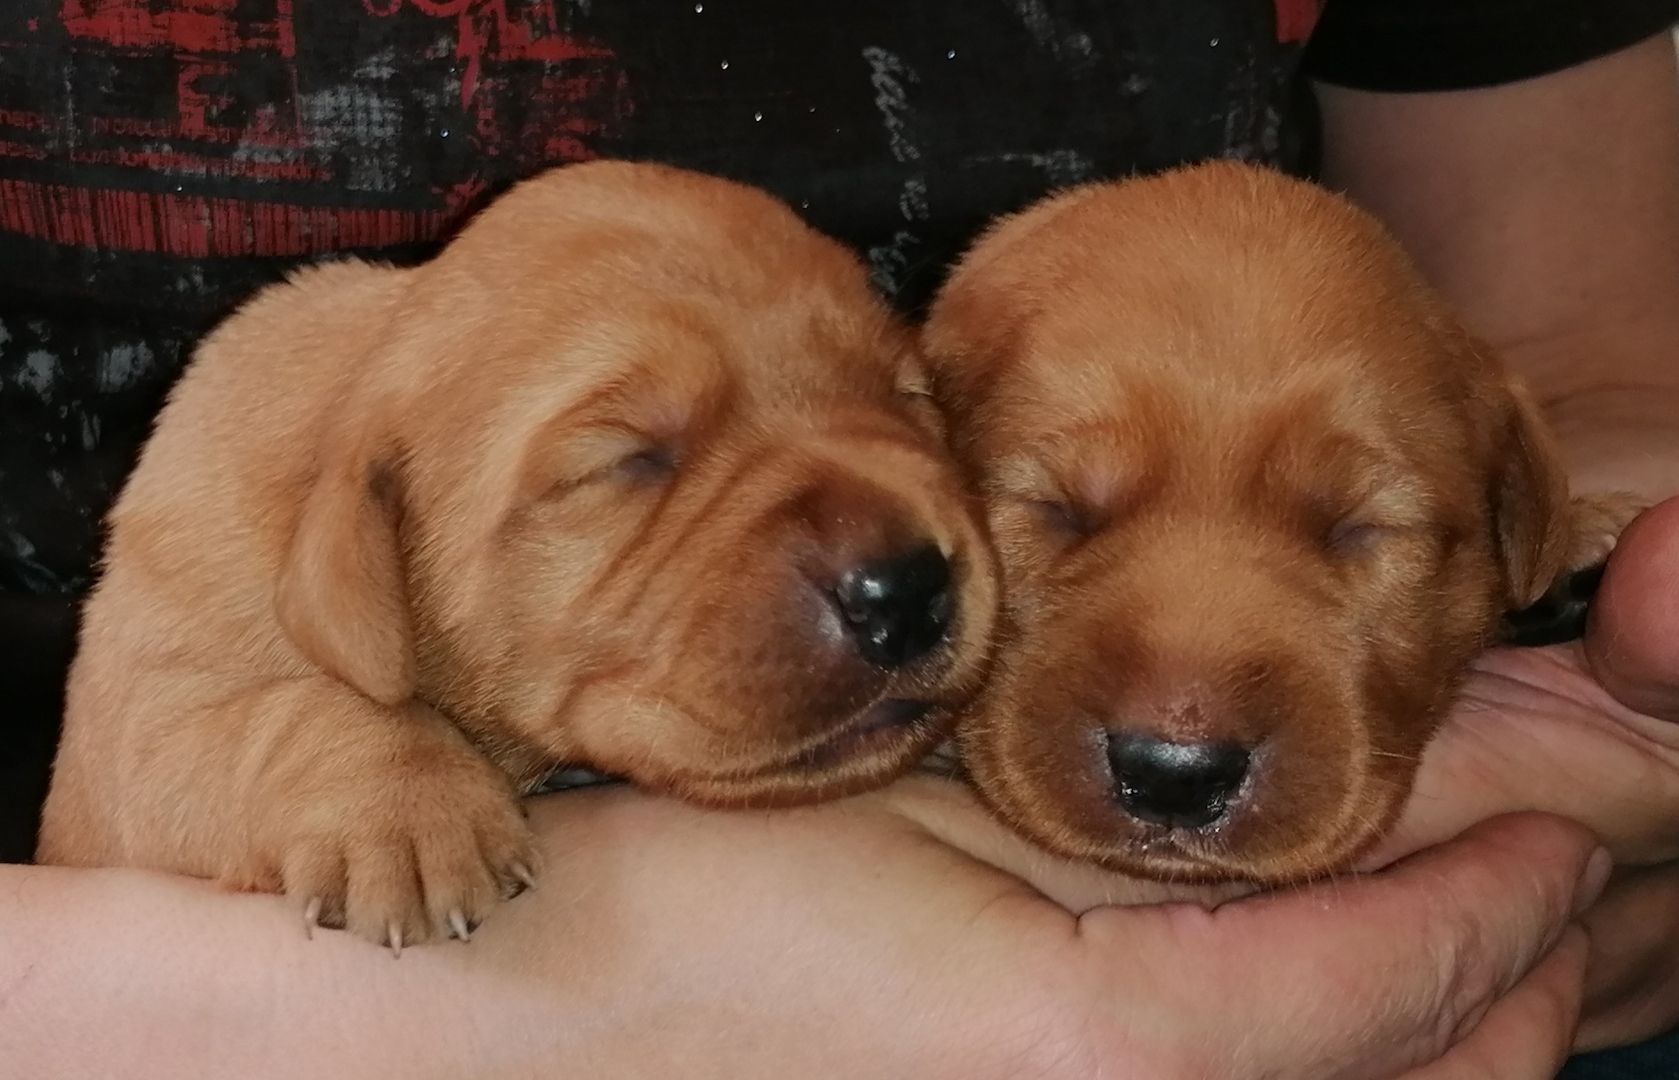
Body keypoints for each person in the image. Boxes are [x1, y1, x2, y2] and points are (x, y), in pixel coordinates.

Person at [1, 1, 1676, 1075]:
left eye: (890, 417)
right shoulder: (283, 500)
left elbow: (1576, 365)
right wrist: (376, 1022)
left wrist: (1608, 713)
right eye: (1052, 511)